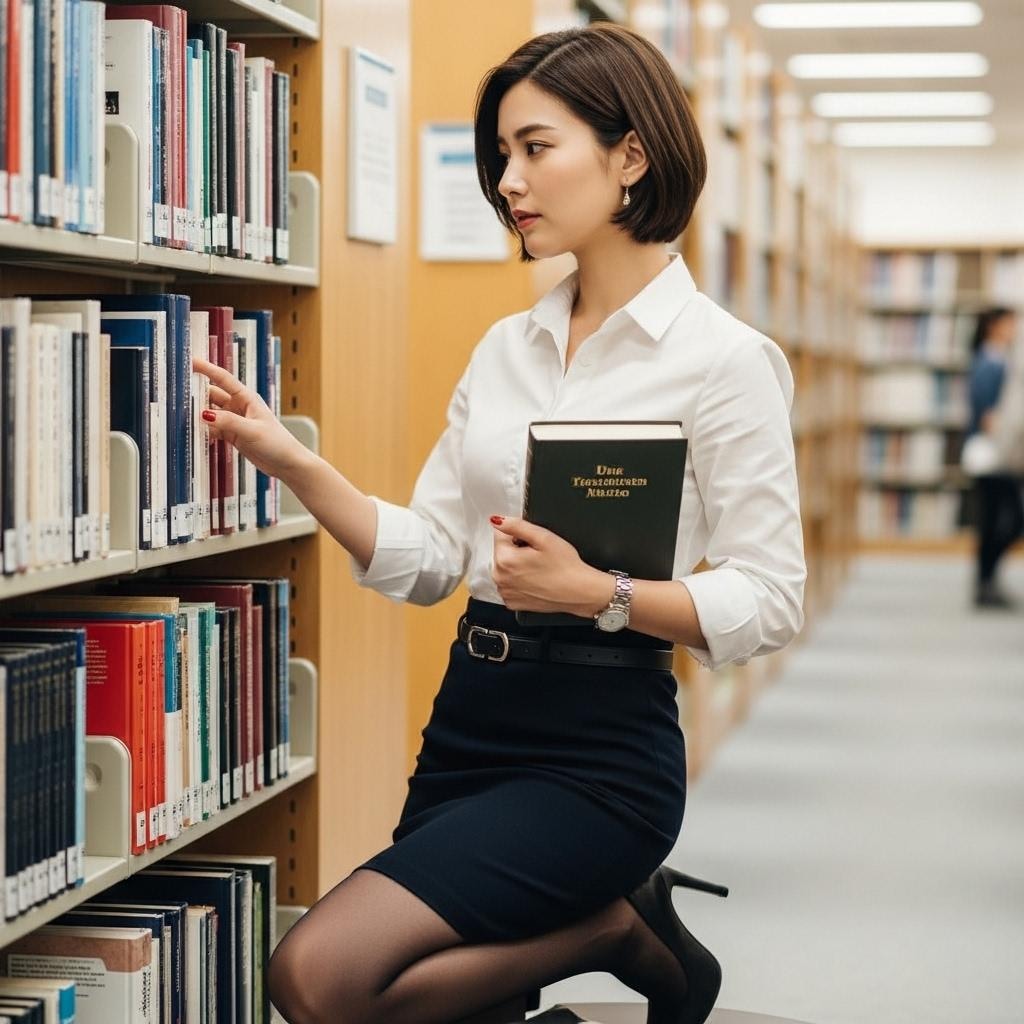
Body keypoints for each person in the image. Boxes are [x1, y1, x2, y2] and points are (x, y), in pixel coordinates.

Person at [195, 23, 806, 1024]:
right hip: (473, 716)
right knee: (442, 1007)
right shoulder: (504, 348)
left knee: (321, 979)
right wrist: (292, 461)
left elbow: (770, 596)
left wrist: (597, 594)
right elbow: (434, 556)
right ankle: (601, 939)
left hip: (602, 744)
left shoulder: (723, 360)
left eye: (534, 147)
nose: (506, 180)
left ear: (630, 155)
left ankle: (613, 928)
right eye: (500, 155)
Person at [966, 307, 1023, 608]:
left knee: (995, 521)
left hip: (1000, 454)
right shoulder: (990, 362)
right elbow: (989, 415)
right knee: (1002, 522)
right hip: (995, 455)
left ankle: (987, 582)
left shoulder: (999, 359)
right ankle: (985, 583)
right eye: (1009, 322)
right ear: (994, 326)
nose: (1015, 328)